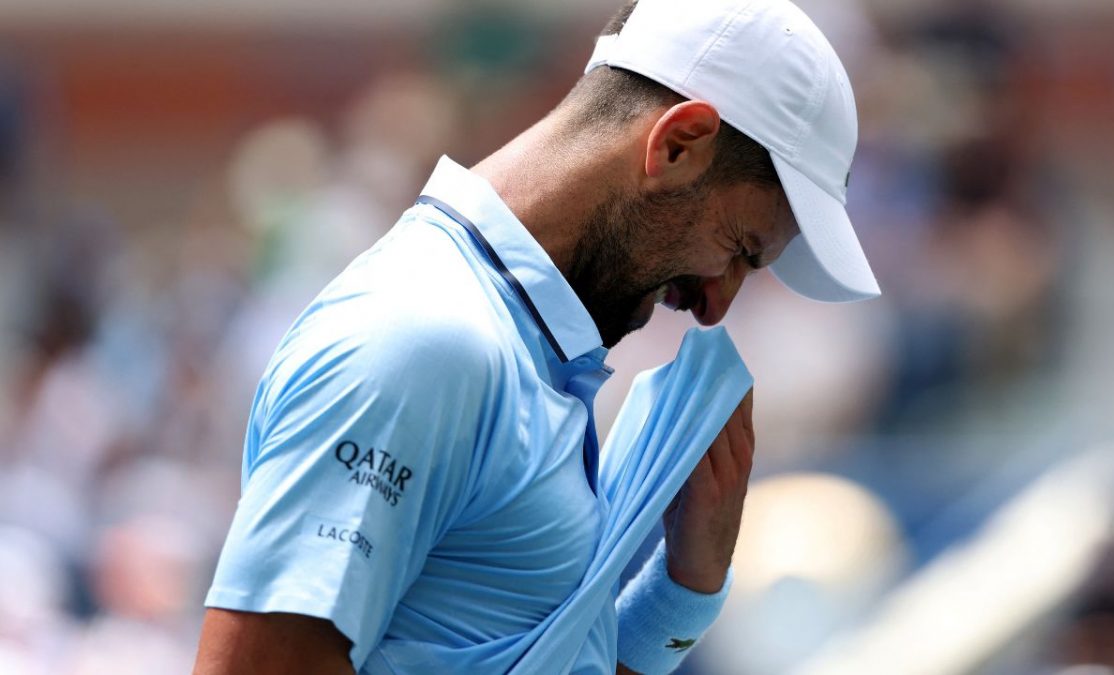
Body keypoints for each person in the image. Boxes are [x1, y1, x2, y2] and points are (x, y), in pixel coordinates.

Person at [192, 0, 879, 673]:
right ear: (677, 145)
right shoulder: (422, 341)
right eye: (739, 248)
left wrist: (681, 592)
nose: (716, 306)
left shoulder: (510, 345)